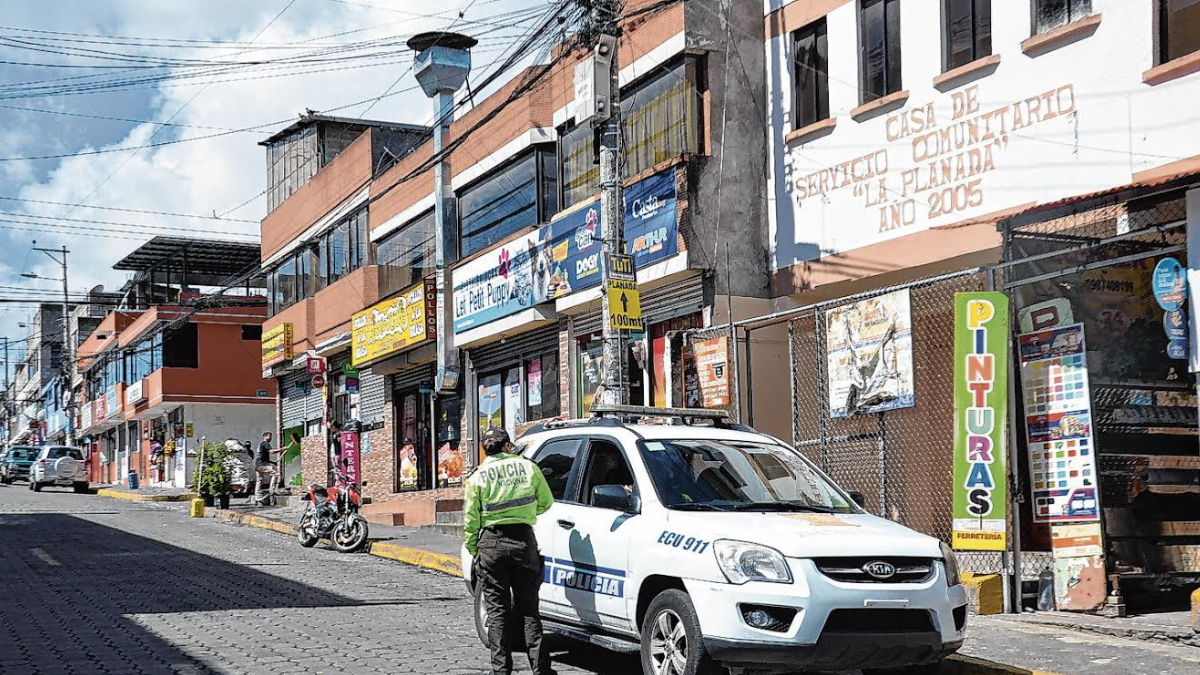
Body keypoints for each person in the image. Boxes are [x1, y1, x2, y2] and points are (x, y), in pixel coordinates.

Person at [463, 427, 555, 675]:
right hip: (523, 543)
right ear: (506, 446)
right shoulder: (527, 467)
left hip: (491, 544)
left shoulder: (478, 476)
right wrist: (523, 516)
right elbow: (546, 502)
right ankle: (541, 670)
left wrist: (475, 548)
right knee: (529, 611)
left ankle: (501, 671)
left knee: (497, 613)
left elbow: (471, 519)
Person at [254, 432, 279, 505]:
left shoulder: (261, 445)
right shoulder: (265, 443)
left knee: (259, 481)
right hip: (262, 465)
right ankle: (271, 492)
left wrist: (272, 462)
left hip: (258, 465)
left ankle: (257, 497)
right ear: (264, 437)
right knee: (275, 474)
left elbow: (263, 457)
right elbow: (272, 452)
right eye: (269, 437)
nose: (271, 438)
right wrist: (282, 449)